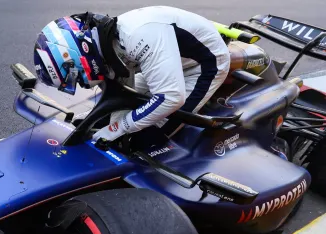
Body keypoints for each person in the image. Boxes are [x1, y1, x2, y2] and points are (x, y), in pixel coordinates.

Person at [33, 6, 230, 141]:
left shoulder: (138, 38)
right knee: (113, 118)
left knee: (152, 134)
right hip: (172, 57)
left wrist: (117, 129)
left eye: (72, 77)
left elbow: (171, 98)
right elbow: (121, 94)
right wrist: (108, 126)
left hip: (203, 65)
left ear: (78, 54)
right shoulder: (107, 41)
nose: (78, 84)